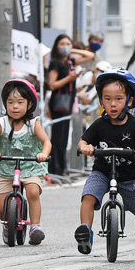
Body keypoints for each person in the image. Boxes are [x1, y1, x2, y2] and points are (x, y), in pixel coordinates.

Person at [74, 69, 135, 255]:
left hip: (128, 177)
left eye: (118, 99)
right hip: (101, 172)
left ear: (130, 101)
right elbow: (84, 140)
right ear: (101, 101)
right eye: (107, 99)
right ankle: (85, 231)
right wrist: (85, 147)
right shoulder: (100, 124)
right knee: (88, 196)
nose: (112, 104)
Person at [0, 79, 52, 245]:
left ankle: (35, 227)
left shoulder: (33, 123)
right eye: (10, 102)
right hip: (7, 166)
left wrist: (43, 154)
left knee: (33, 192)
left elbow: (47, 142)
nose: (15, 107)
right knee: (1, 208)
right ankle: (8, 225)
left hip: (31, 165)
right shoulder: (1, 123)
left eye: (20, 102)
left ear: (29, 104)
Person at [45, 34, 96, 176]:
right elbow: (52, 84)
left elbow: (90, 55)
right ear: (56, 46)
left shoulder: (70, 62)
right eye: (62, 44)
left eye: (68, 44)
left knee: (64, 137)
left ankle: (62, 169)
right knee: (58, 137)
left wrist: (74, 49)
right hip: (58, 103)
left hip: (68, 103)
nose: (66, 47)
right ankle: (55, 169)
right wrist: (69, 78)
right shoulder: (55, 63)